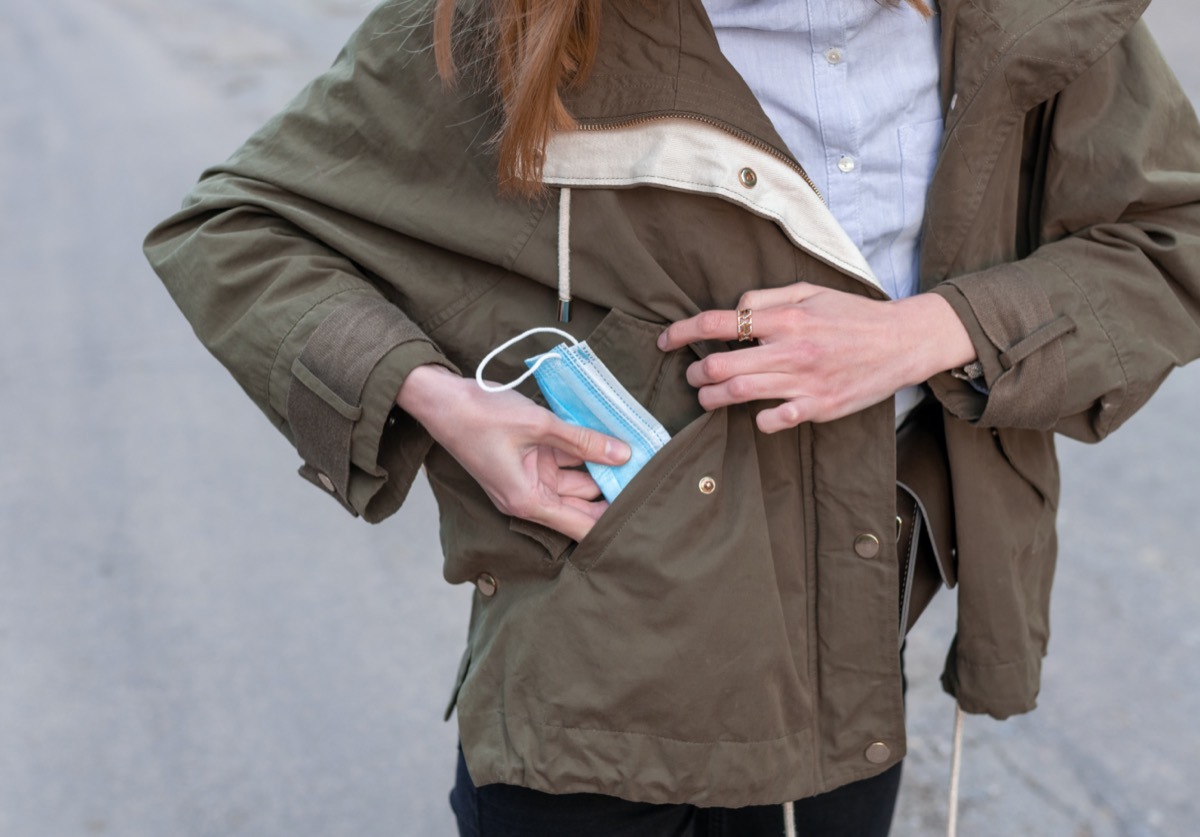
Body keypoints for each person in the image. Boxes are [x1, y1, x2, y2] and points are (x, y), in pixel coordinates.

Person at [144, 0, 1200, 833]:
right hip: (585, 691)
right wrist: (441, 403)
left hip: (846, 667)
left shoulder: (1029, 17)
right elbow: (235, 230)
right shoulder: (513, 18)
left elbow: (1173, 235)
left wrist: (931, 331)